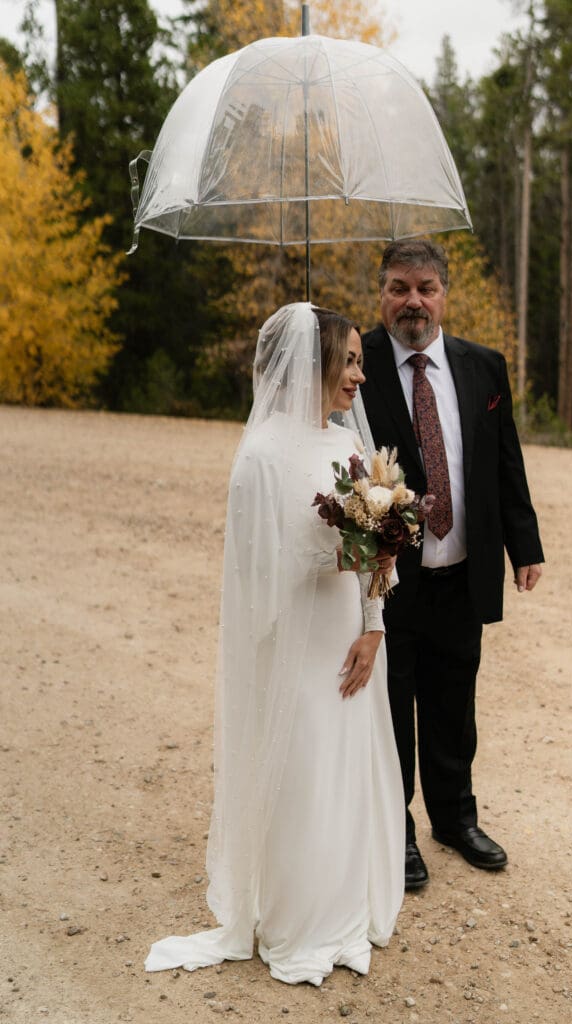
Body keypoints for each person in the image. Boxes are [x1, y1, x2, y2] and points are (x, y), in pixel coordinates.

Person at [145, 303, 404, 985]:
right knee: (302, 765)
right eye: (346, 360)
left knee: (342, 764)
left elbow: (378, 552)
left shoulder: (349, 446)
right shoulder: (259, 458)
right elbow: (252, 574)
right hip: (291, 641)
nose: (358, 374)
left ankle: (342, 904)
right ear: (311, 363)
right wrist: (333, 558)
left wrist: (373, 626)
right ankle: (295, 914)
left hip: (346, 636)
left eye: (359, 360)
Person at [361, 240, 544, 890]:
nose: (413, 300)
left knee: (453, 703)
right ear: (380, 292)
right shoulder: (356, 364)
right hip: (388, 581)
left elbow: (504, 463)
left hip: (462, 575)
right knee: (391, 707)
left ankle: (453, 819)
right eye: (399, 287)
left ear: (444, 294)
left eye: (426, 287)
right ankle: (397, 832)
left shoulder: (482, 367)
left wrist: (524, 546)